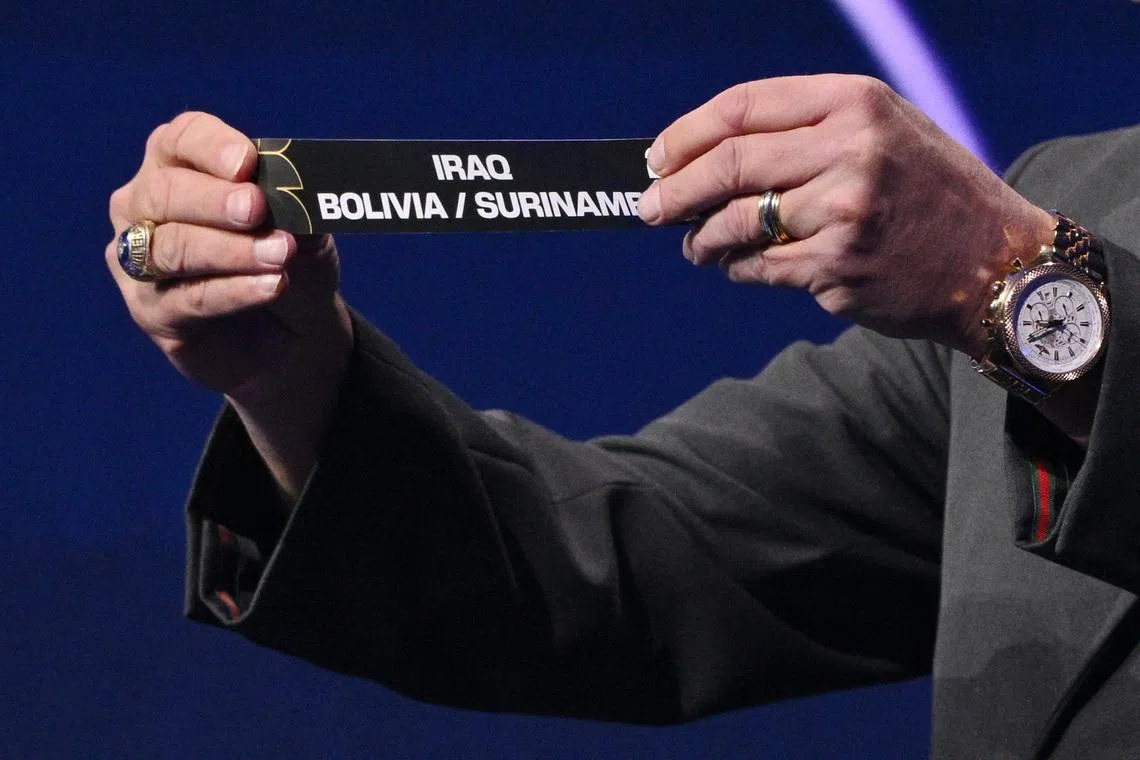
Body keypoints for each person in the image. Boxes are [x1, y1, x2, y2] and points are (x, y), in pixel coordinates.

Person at [106, 74, 1140, 758]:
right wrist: (295, 377)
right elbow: (626, 563)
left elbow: (1011, 277)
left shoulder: (1028, 234)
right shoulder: (1084, 194)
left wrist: (1021, 286)